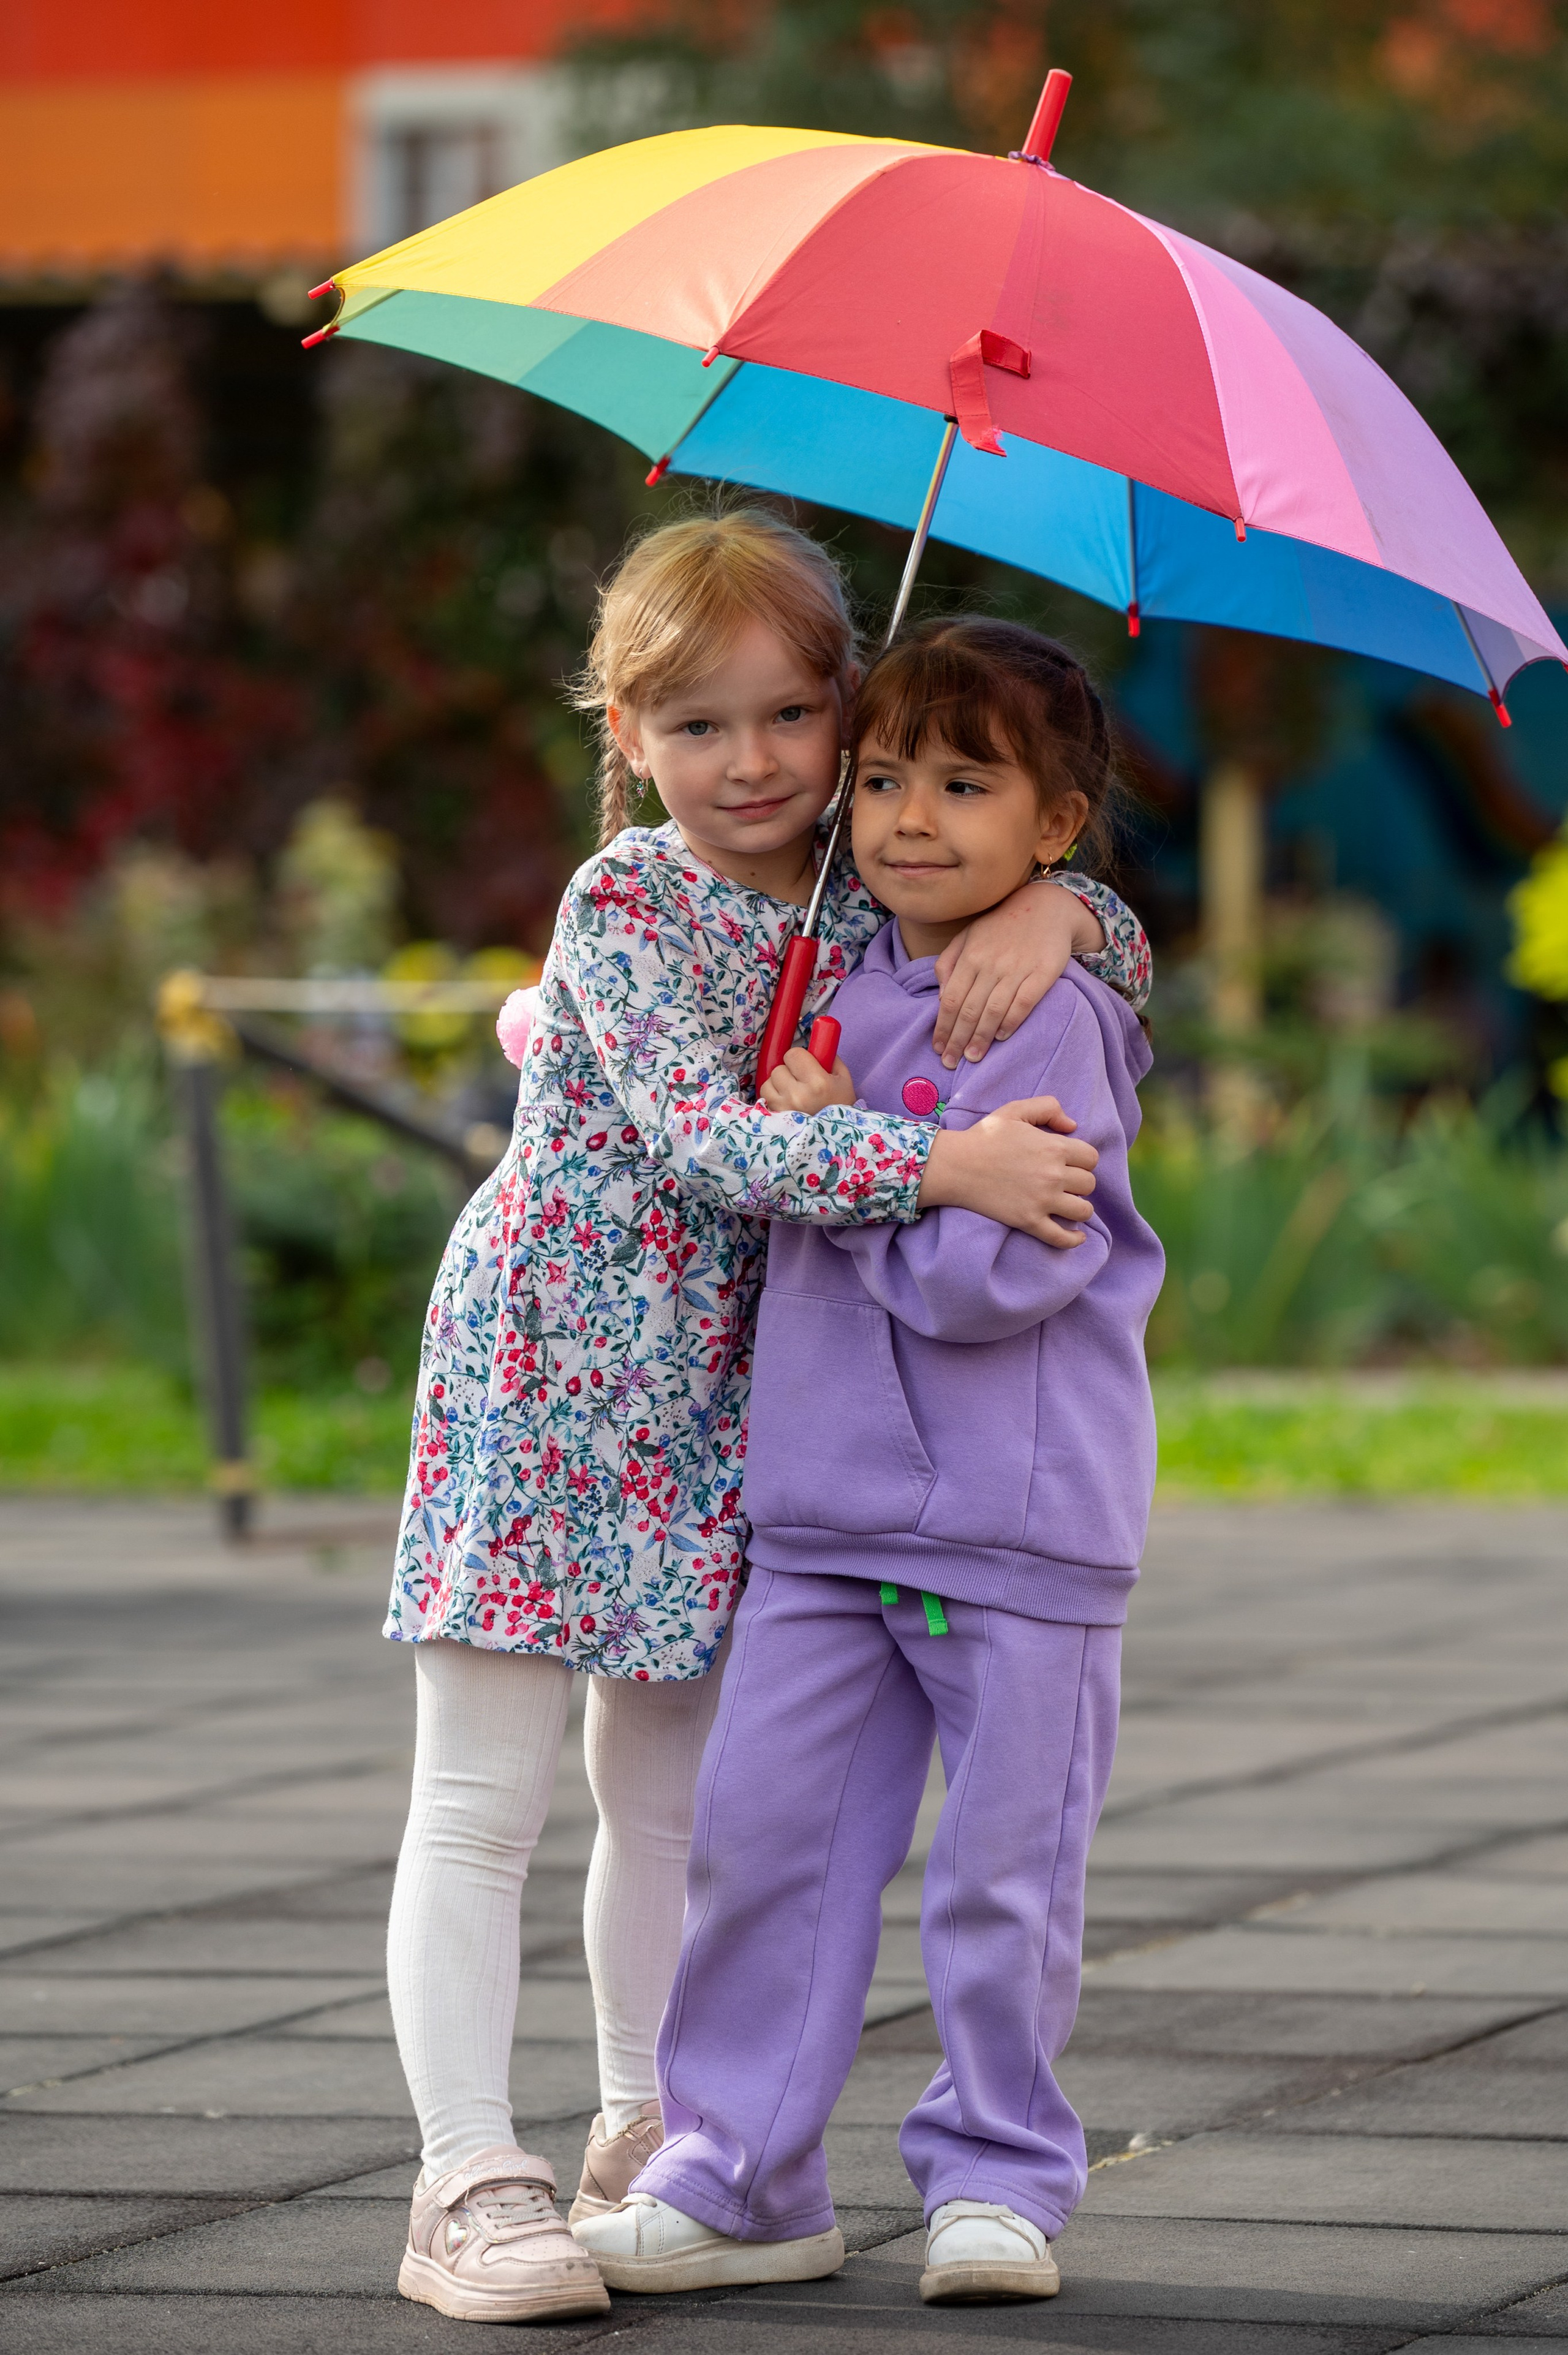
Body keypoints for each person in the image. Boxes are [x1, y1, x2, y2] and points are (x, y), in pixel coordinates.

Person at [385, 516, 1153, 2324]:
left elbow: (1054, 887)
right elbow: (710, 1139)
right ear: (626, 733)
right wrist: (939, 1157)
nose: (755, 764)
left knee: (685, 1804)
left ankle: (661, 2129)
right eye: (697, 723)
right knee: (485, 1790)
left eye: (797, 716)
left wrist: (1066, 901)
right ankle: (462, 2168)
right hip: (554, 1377)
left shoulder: (855, 874)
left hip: (729, 1402)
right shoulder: (625, 899)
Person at [575, 618, 1164, 2307]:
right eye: (889, 774)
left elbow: (1006, 1268)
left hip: (1013, 1524)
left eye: (966, 784)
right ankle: (739, 2170)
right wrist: (863, 1138)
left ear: (1053, 828)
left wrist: (864, 1164)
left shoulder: (1048, 1006)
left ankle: (999, 2176)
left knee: (1003, 1874)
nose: (910, 815)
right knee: (767, 1845)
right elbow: (810, 1173)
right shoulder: (838, 986)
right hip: (824, 1519)